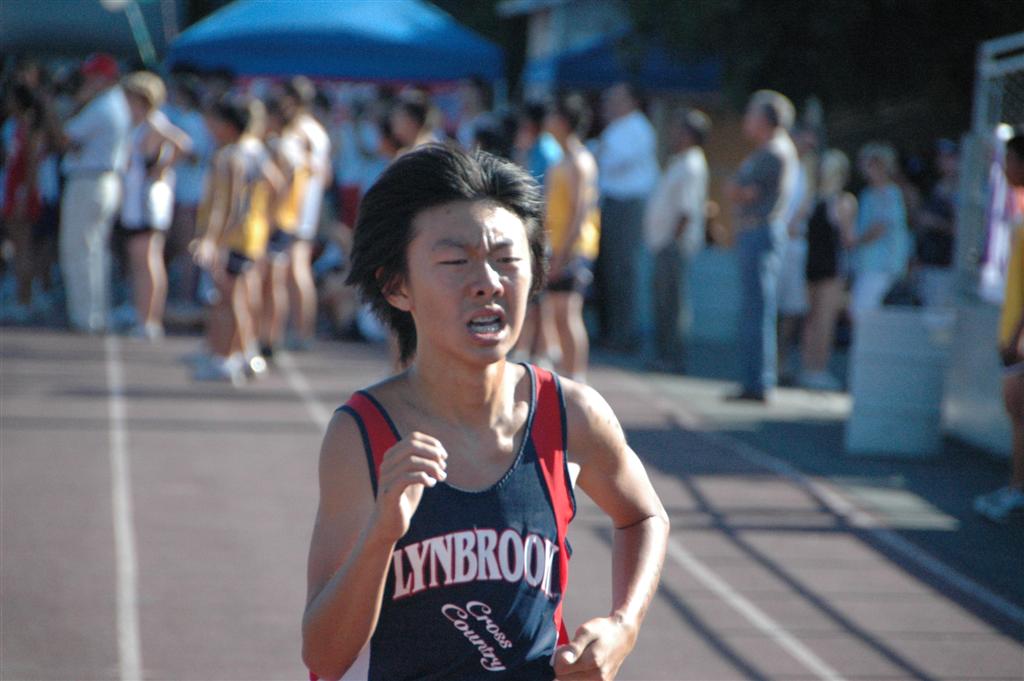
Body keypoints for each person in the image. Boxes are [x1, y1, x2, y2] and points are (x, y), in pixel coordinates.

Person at [302, 144, 669, 680]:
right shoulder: (362, 436)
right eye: (456, 262)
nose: (488, 282)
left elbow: (644, 516)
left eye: (506, 259)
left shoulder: (570, 415)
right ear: (396, 286)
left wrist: (624, 624)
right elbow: (323, 656)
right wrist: (381, 534)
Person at [192, 95, 282, 384]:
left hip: (234, 238)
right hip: (252, 234)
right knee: (242, 298)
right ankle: (244, 354)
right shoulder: (255, 150)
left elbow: (225, 205)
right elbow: (276, 184)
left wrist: (212, 240)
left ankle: (226, 358)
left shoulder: (229, 156)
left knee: (228, 301)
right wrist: (265, 219)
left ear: (227, 124)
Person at [725, 90, 799, 402]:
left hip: (760, 231)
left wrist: (736, 190)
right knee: (756, 309)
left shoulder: (773, 152)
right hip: (759, 232)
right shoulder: (773, 150)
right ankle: (755, 380)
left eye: (752, 114)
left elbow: (742, 191)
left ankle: (757, 383)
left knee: (756, 310)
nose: (747, 120)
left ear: (767, 119)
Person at [52, 54, 131, 333]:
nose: (87, 82)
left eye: (92, 77)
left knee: (79, 249)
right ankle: (94, 313)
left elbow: (64, 137)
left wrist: (67, 104)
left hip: (90, 180)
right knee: (94, 250)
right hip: (102, 180)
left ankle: (85, 316)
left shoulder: (103, 105)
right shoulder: (115, 103)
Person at [120, 71, 192, 340]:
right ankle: (144, 315)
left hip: (146, 201)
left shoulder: (154, 122)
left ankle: (149, 320)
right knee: (142, 260)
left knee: (147, 260)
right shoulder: (139, 124)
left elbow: (183, 144)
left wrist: (161, 167)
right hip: (136, 200)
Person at [975, 132, 1024, 523]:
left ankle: (1017, 489)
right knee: (1016, 415)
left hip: (1019, 337)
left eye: (1010, 159)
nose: (1005, 168)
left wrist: (1018, 335)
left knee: (1019, 413)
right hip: (1012, 330)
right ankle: (1014, 487)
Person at [643, 108, 711, 372]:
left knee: (672, 304)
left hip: (673, 245)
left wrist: (672, 241)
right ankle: (666, 355)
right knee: (664, 302)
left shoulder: (691, 164)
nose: (673, 134)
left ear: (689, 134)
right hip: (665, 242)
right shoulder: (681, 161)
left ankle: (671, 358)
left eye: (678, 129)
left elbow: (687, 211)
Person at [595, 82, 659, 353]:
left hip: (628, 203)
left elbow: (613, 161)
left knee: (622, 269)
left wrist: (601, 153)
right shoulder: (616, 128)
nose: (611, 104)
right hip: (611, 201)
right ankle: (612, 331)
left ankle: (624, 334)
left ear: (632, 101)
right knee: (609, 269)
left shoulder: (638, 128)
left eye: (617, 98)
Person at [541, 94, 601, 382]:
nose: (549, 121)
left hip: (574, 247)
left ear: (564, 121)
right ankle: (565, 374)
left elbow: (580, 210)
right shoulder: (562, 158)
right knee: (556, 312)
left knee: (569, 312)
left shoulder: (579, 160)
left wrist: (564, 253)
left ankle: (576, 377)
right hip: (558, 245)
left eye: (554, 115)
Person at [799, 149, 857, 391]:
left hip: (811, 262)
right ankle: (818, 369)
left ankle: (808, 367)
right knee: (824, 319)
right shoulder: (843, 202)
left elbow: (794, 226)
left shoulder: (812, 200)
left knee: (811, 318)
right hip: (830, 265)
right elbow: (848, 239)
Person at [283, 77, 330, 350]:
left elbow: (315, 171)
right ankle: (299, 329)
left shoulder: (303, 131)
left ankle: (302, 331)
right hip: (303, 208)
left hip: (296, 209)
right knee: (294, 269)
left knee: (296, 269)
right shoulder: (316, 130)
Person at [847, 142, 911, 323]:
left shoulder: (890, 194)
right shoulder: (868, 193)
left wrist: (855, 240)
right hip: (866, 264)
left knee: (863, 313)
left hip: (882, 266)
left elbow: (881, 227)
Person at [1, 83, 45, 323]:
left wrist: (22, 193)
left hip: (21, 191)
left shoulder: (29, 127)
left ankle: (25, 299)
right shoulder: (14, 124)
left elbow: (31, 163)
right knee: (17, 245)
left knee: (23, 246)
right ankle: (21, 295)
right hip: (11, 188)